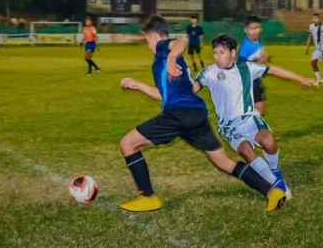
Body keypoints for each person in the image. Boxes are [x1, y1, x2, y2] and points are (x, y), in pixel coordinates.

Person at [119, 16, 285, 213]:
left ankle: (148, 197)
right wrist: (137, 85)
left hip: (178, 115)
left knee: (127, 144)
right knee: (224, 162)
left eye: (147, 39)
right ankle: (272, 192)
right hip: (195, 114)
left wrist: (171, 57)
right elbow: (163, 96)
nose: (147, 44)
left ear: (154, 36)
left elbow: (182, 41)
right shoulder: (162, 63)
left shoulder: (164, 48)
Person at [196, 34, 316, 200]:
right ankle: (277, 183)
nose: (217, 57)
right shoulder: (209, 73)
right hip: (229, 126)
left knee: (268, 141)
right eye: (215, 53)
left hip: (250, 119)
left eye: (221, 52)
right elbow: (193, 87)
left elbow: (272, 70)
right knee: (246, 150)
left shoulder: (246, 68)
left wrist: (300, 78)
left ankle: (274, 170)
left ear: (233, 53)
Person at [238, 16, 269, 115]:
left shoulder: (258, 40)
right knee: (258, 112)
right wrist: (258, 62)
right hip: (248, 82)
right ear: (245, 30)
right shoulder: (245, 46)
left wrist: (263, 58)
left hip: (256, 79)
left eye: (257, 27)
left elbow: (256, 57)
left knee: (261, 112)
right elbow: (241, 66)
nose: (255, 31)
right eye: (252, 28)